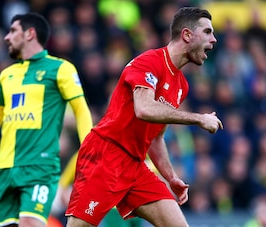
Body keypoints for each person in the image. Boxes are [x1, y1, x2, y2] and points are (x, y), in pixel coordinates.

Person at [65, 7, 223, 227]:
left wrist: (170, 176)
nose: (214, 39)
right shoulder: (149, 61)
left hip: (136, 166)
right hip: (106, 155)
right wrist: (198, 118)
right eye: (207, 32)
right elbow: (144, 109)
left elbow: (156, 137)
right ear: (187, 35)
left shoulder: (181, 85)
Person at [0, 12, 93, 227]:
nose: (6, 37)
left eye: (12, 31)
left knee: (30, 223)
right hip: (6, 168)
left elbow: (81, 110)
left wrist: (88, 151)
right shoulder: (6, 75)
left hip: (39, 166)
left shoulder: (60, 69)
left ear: (29, 34)